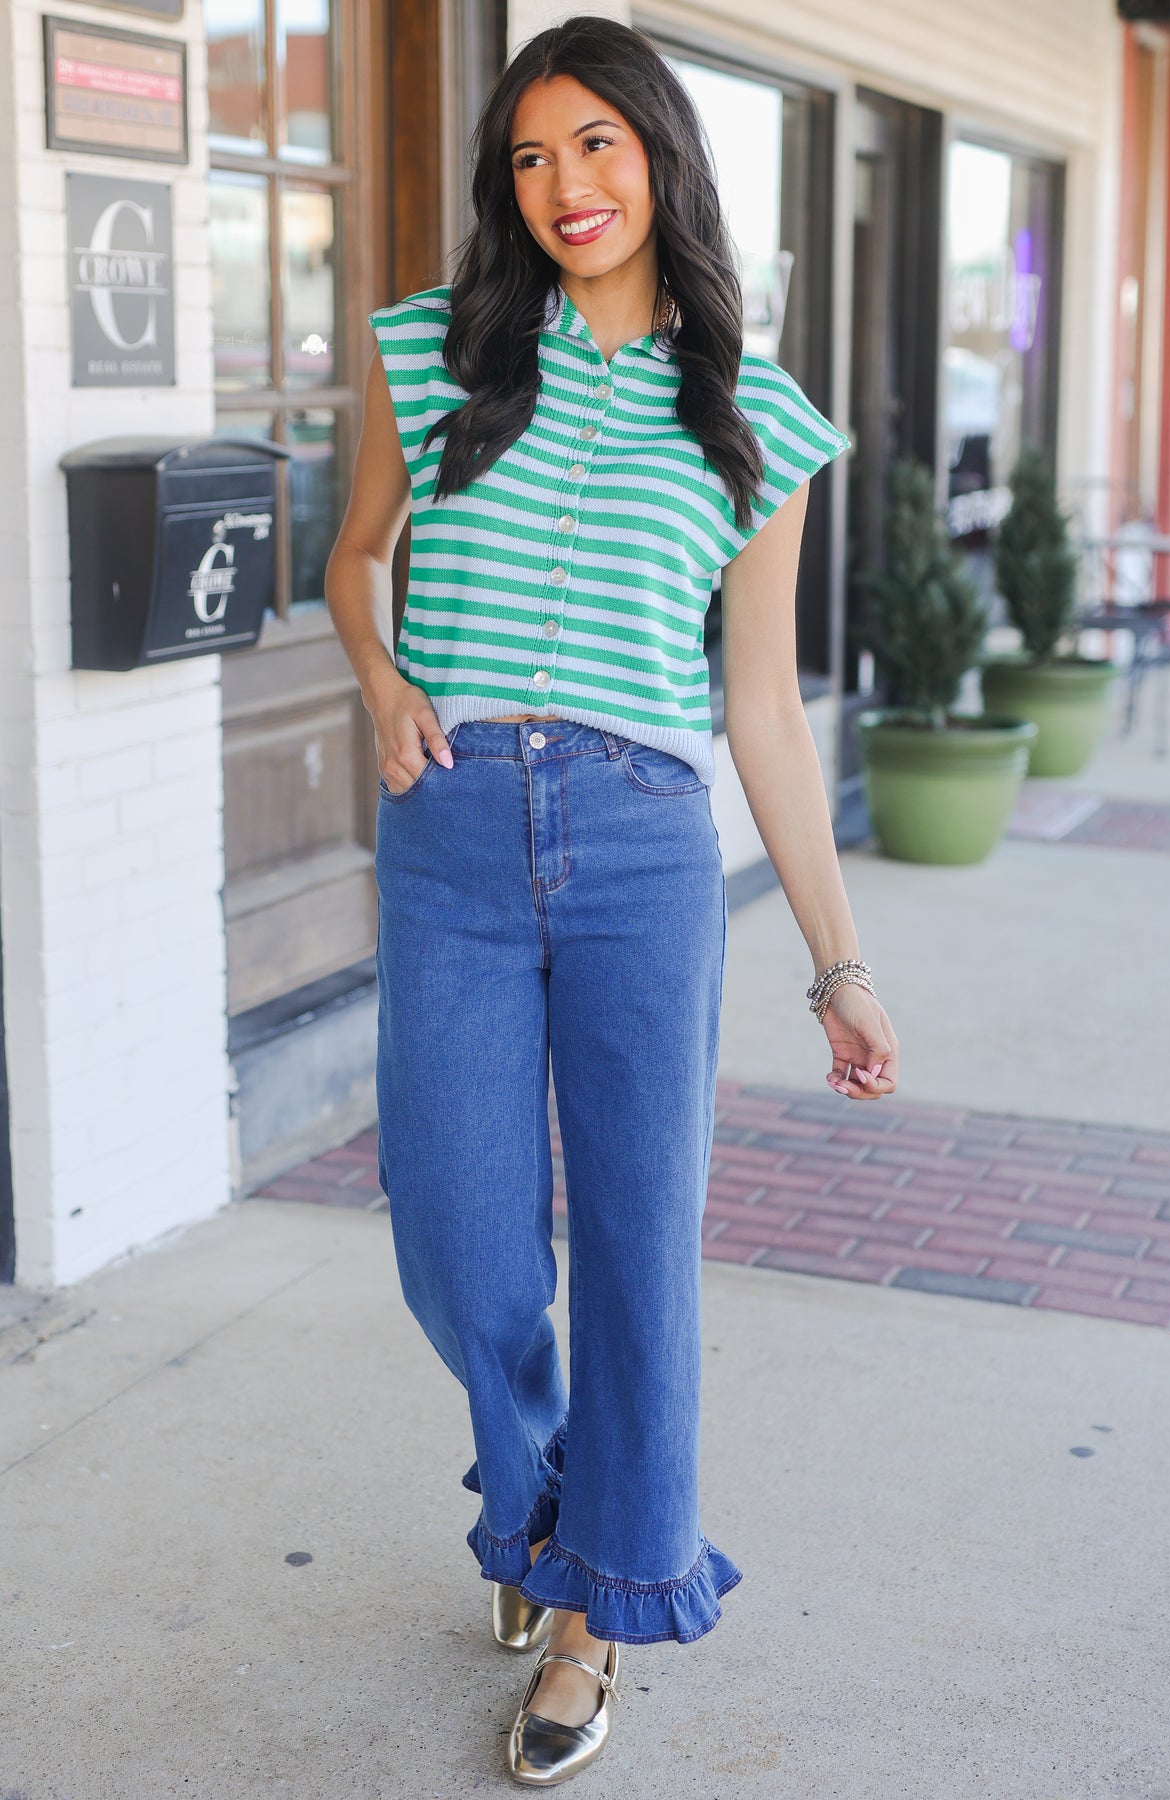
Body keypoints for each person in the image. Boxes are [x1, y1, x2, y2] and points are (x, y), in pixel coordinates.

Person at [324, 15, 899, 1786]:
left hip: (648, 841)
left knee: (642, 1249)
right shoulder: (431, 354)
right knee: (461, 1239)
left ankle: (594, 1609)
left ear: (657, 156)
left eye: (596, 147)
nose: (563, 187)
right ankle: (542, 1507)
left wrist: (837, 958)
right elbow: (353, 562)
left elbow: (760, 713)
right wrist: (380, 678)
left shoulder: (755, 419)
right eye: (529, 158)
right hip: (455, 831)